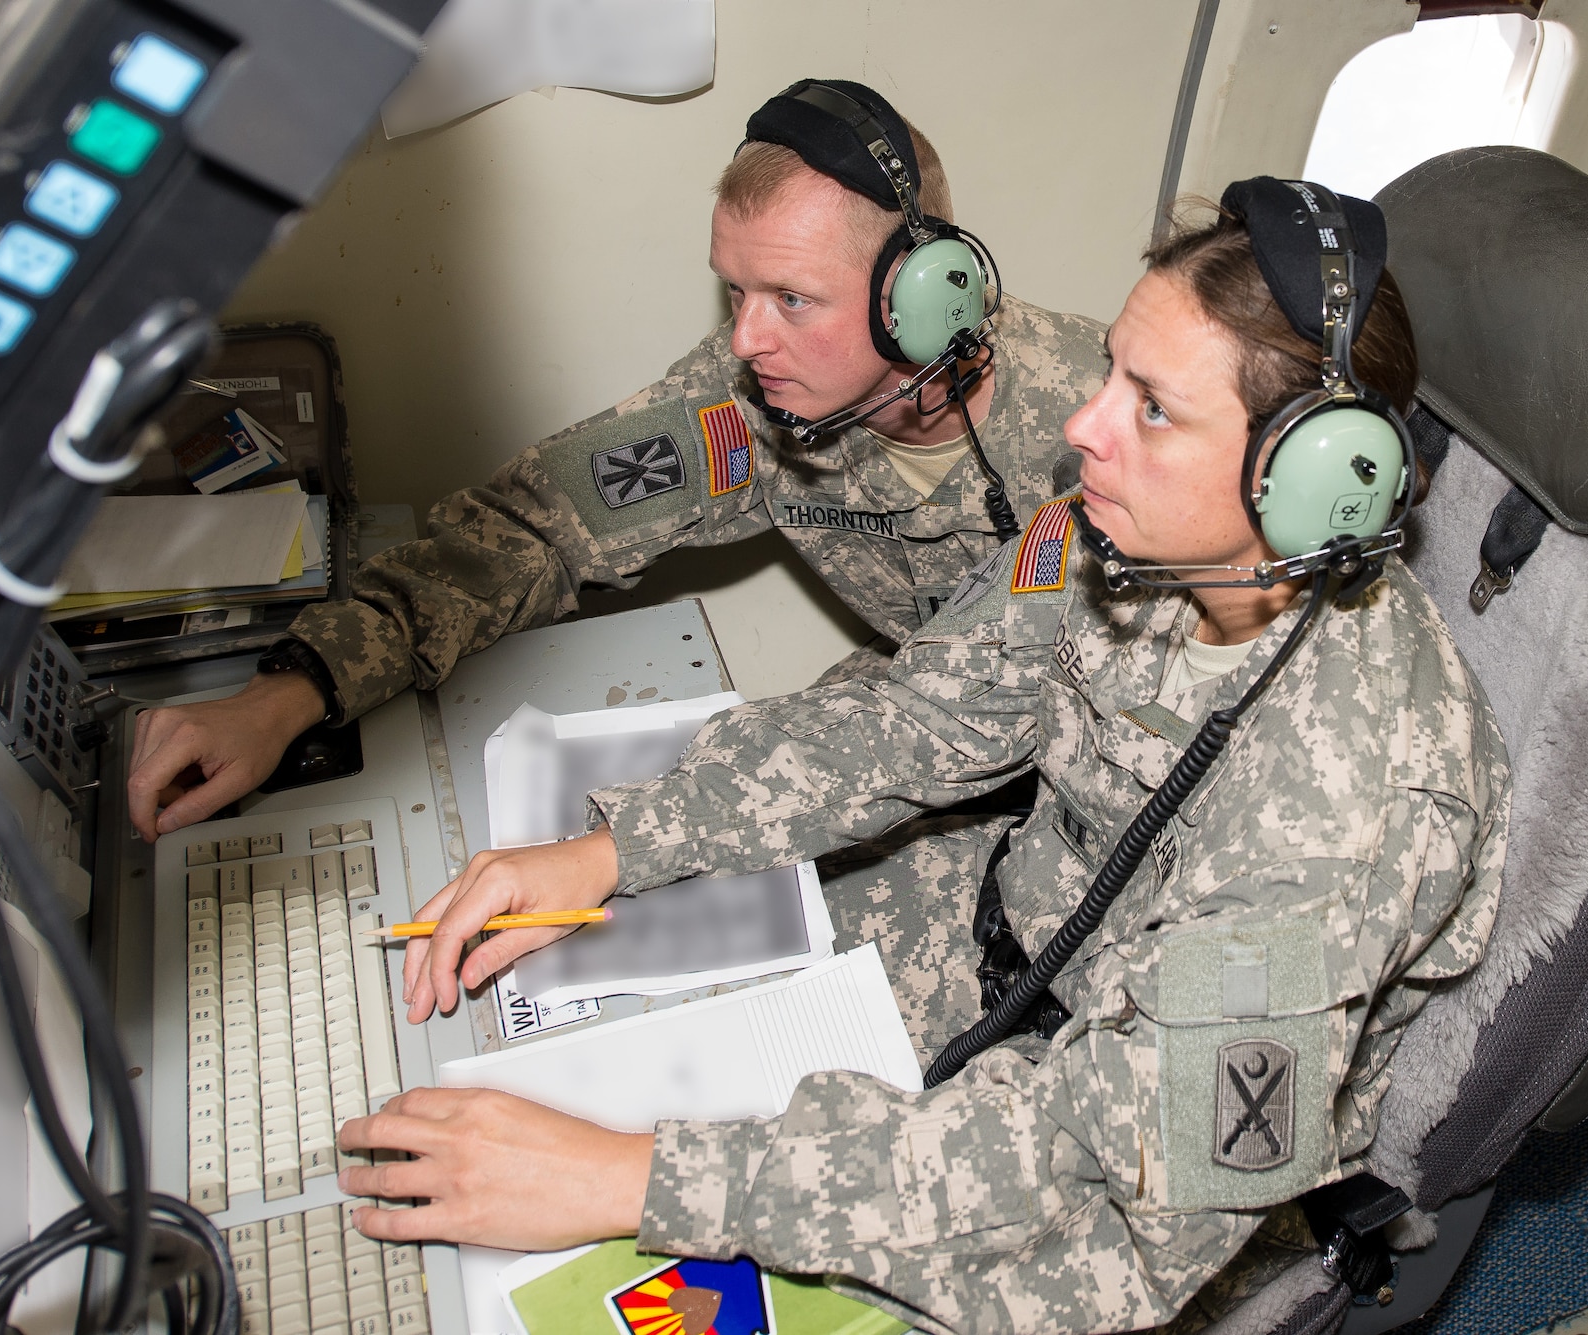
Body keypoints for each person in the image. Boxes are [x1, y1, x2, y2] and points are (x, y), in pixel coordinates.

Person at [328, 181, 1512, 1333]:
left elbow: (1129, 1207)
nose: (1078, 428)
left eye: (1149, 407)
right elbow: (922, 718)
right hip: (1000, 942)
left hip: (1115, 1170)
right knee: (550, 1016)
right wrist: (613, 849)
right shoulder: (1129, 542)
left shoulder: (1345, 806)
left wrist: (638, 1184)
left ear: (1313, 488)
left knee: (574, 1223)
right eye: (1108, 373)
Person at [125, 79, 1112, 847]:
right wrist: (291, 690)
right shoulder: (757, 401)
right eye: (733, 292)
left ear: (923, 301)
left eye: (790, 299)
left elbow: (1016, 728)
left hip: (1093, 781)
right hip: (923, 721)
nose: (745, 341)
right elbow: (535, 524)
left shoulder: (1106, 440)